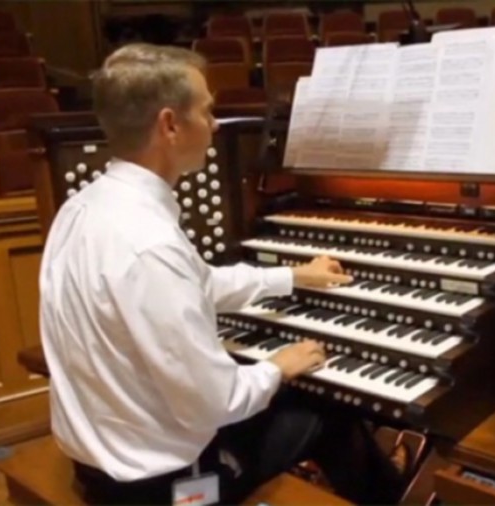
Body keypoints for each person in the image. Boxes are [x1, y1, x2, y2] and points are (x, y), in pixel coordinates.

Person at [38, 43, 405, 505]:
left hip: (102, 453)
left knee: (286, 392)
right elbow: (217, 401)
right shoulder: (150, 245)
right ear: (170, 124)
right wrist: (277, 366)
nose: (214, 125)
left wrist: (290, 277)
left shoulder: (83, 209)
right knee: (329, 405)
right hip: (161, 485)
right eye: (207, 111)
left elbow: (200, 285)